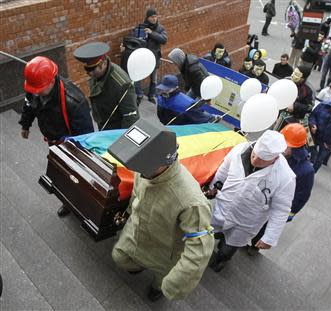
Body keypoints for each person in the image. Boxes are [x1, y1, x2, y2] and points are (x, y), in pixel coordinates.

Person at [111, 120, 214, 302]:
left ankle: (157, 287)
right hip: (136, 234)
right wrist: (127, 213)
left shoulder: (191, 201)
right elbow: (136, 194)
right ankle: (139, 265)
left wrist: (175, 284)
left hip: (165, 250)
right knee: (119, 257)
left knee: (162, 282)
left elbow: (200, 247)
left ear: (160, 163)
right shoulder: (144, 168)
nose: (136, 171)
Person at [206, 130, 296, 272]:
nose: (255, 160)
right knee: (209, 231)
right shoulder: (240, 149)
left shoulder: (286, 178)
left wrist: (270, 237)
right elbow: (223, 170)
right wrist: (213, 188)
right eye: (254, 155)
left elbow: (281, 209)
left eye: (262, 160)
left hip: (245, 222)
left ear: (274, 158)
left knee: (228, 248)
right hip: (223, 204)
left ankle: (221, 260)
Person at [19, 56, 95, 217]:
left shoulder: (74, 102)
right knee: (62, 176)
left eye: (39, 89)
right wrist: (25, 125)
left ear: (52, 81)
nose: (36, 92)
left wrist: (82, 158)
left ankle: (83, 204)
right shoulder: (35, 88)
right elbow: (29, 105)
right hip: (53, 142)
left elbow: (86, 137)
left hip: (72, 146)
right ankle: (67, 201)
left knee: (75, 177)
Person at [247, 124, 314, 256]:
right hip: (262, 194)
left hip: (277, 202)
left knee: (266, 225)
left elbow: (301, 196)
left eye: (285, 145)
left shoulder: (306, 170)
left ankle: (255, 244)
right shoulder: (280, 152)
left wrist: (288, 215)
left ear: (295, 147)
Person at [73, 42, 139, 130]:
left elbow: (131, 117)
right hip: (104, 124)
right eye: (87, 69)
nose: (89, 73)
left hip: (116, 130)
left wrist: (123, 140)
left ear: (103, 63)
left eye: (92, 69)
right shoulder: (97, 75)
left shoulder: (122, 83)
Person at [140, 8, 168, 103]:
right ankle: (139, 95)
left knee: (154, 79)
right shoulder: (141, 27)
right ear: (147, 17)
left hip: (154, 58)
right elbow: (135, 39)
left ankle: (151, 96)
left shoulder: (160, 28)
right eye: (152, 17)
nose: (154, 18)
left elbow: (164, 40)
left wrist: (151, 33)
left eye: (155, 16)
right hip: (143, 57)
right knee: (139, 76)